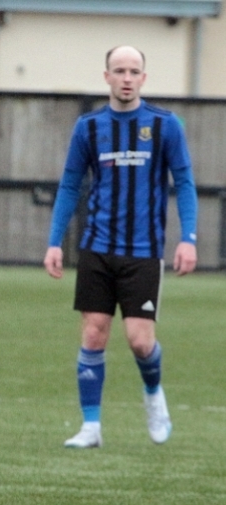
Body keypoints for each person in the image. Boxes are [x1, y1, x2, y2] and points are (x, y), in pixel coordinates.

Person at [44, 45, 198, 449]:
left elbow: (184, 183)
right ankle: (91, 427)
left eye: (133, 71)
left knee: (140, 341)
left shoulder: (165, 125)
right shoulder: (89, 127)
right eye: (119, 70)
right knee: (93, 334)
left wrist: (189, 238)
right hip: (96, 247)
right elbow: (70, 185)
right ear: (107, 77)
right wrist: (54, 241)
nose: (126, 78)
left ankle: (153, 394)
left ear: (143, 78)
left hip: (143, 251)